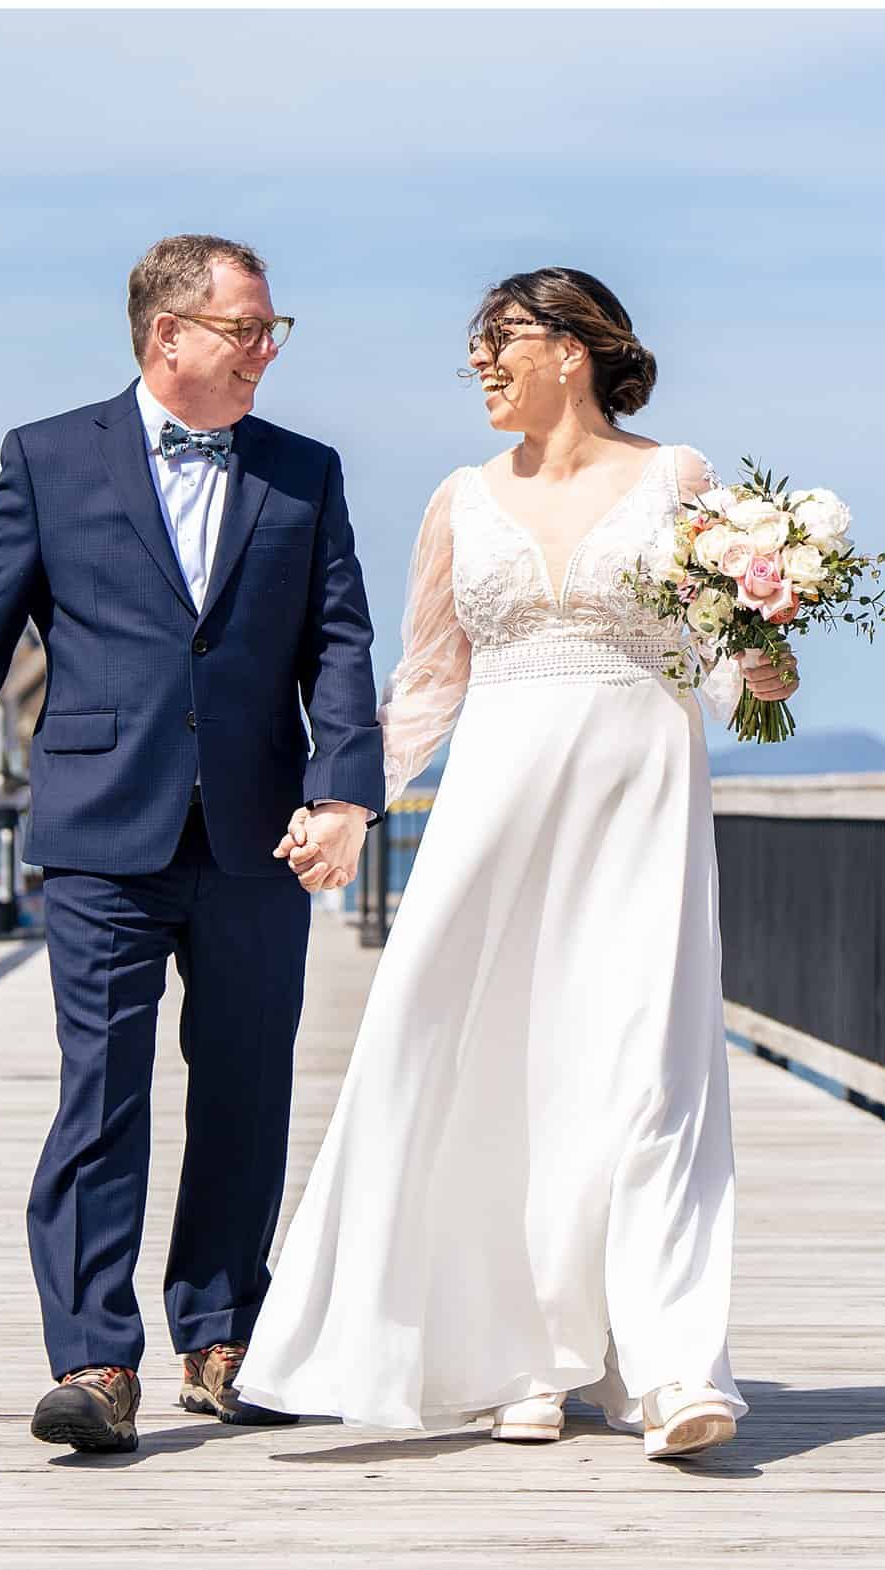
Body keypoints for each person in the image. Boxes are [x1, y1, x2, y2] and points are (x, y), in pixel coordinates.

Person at [237, 267, 797, 1460]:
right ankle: (517, 1360)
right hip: (491, 804)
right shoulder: (459, 498)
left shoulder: (676, 478)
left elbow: (713, 650)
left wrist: (760, 667)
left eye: (501, 341)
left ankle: (673, 1365)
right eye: (475, 349)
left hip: (636, 795)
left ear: (573, 349)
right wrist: (346, 805)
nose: (483, 365)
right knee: (484, 1063)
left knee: (646, 1065)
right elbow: (431, 680)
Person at [0, 234, 382, 1454]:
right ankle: (96, 1359)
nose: (268, 348)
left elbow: (342, 644)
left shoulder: (304, 473)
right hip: (104, 827)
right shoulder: (49, 458)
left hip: (259, 830)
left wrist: (344, 791)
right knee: (100, 1094)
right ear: (169, 335)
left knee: (248, 1090)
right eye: (247, 328)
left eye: (273, 331)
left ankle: (221, 1332)